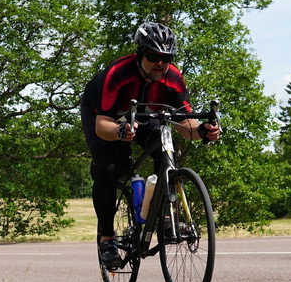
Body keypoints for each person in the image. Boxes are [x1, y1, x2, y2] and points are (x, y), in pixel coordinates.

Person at [79, 21, 220, 268]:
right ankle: (107, 239)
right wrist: (121, 131)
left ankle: (165, 217)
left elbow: (183, 122)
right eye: (154, 56)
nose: (161, 63)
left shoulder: (173, 77)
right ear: (141, 53)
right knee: (111, 168)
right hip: (105, 115)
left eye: (166, 57)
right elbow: (102, 125)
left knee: (164, 140)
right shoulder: (118, 74)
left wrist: (202, 131)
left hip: (146, 116)